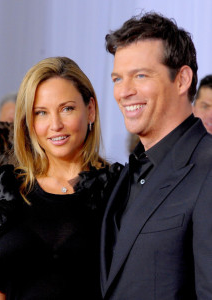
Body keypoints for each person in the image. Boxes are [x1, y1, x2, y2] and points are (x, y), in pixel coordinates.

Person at [100, 12, 212, 300]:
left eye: (140, 75)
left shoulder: (208, 168)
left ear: (182, 79)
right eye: (117, 78)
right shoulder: (126, 173)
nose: (124, 91)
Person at [0, 56, 123, 300]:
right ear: (29, 122)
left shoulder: (117, 188)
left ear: (90, 110)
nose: (55, 124)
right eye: (41, 113)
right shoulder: (7, 187)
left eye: (67, 108)